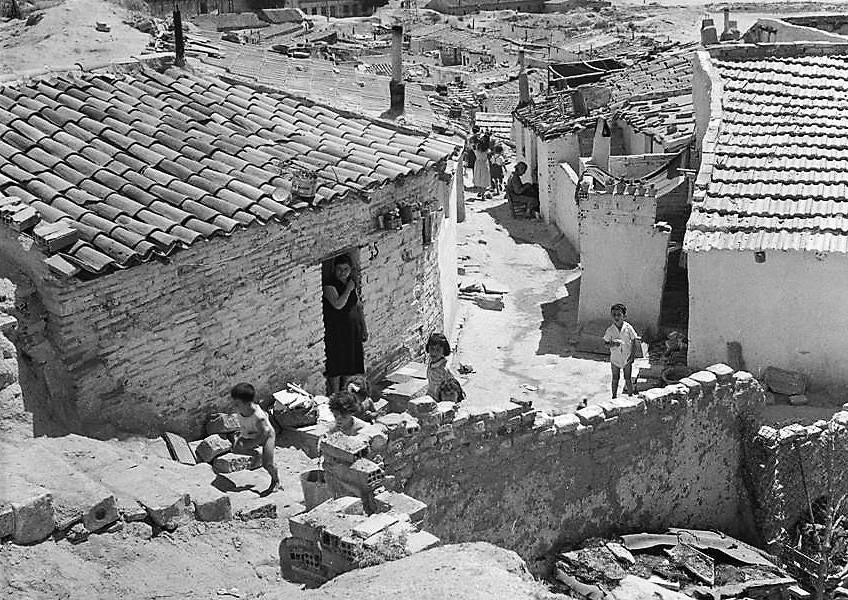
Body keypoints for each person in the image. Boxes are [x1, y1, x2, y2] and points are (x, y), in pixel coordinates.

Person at [323, 255, 367, 394]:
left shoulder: (351, 283)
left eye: (346, 269)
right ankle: (335, 395)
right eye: (339, 269)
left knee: (350, 363)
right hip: (337, 330)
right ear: (334, 269)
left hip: (352, 330)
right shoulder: (330, 285)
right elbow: (338, 304)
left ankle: (346, 394)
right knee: (336, 364)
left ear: (350, 269)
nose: (343, 272)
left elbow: (358, 306)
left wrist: (363, 328)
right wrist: (348, 288)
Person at [230, 383, 280, 496]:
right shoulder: (242, 410)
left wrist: (252, 443)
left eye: (237, 404)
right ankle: (257, 455)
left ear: (248, 403)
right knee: (236, 448)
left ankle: (276, 480)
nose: (234, 406)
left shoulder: (258, 418)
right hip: (251, 434)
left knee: (267, 464)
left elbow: (263, 435)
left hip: (266, 436)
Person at [603, 303, 639, 398]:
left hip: (626, 357)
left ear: (624, 316)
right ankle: (614, 397)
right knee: (615, 378)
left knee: (628, 378)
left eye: (619, 315)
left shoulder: (628, 328)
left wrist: (632, 356)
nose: (616, 317)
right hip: (615, 358)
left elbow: (634, 341)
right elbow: (606, 344)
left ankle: (630, 396)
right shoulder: (610, 330)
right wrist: (613, 343)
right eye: (614, 315)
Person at [425, 332, 457, 398]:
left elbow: (453, 390)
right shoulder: (432, 362)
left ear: (444, 351)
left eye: (438, 350)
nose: (434, 353)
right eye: (432, 349)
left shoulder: (445, 369)